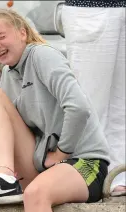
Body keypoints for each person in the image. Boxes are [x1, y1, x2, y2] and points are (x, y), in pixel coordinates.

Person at [0, 8, 110, 212]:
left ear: (22, 33)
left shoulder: (42, 55)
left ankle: (9, 184)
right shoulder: (8, 74)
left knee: (35, 194)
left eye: (1, 36)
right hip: (44, 164)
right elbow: (10, 134)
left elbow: (79, 107)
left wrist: (62, 151)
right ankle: (4, 178)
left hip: (83, 162)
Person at [62, 0, 126, 196]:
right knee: (90, 105)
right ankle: (89, 178)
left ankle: (119, 177)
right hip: (91, 10)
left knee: (121, 106)